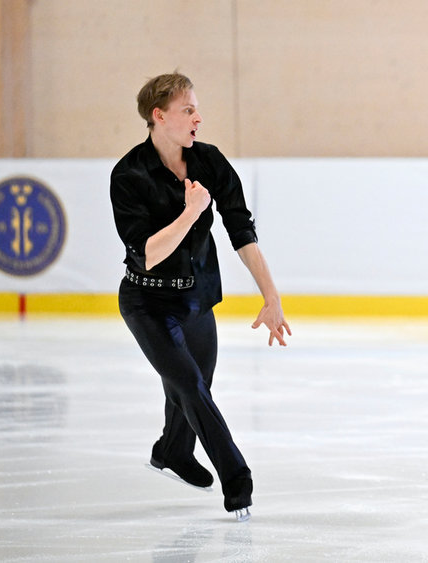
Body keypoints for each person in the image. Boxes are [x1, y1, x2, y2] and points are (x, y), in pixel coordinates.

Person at [110, 72, 291, 522]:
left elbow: (242, 232)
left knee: (192, 388)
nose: (198, 118)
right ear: (159, 115)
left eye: (197, 109)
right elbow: (148, 254)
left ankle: (172, 450)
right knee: (190, 387)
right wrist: (191, 212)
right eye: (188, 110)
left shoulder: (209, 161)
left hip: (196, 299)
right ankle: (237, 479)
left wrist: (271, 296)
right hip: (147, 303)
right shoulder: (129, 175)